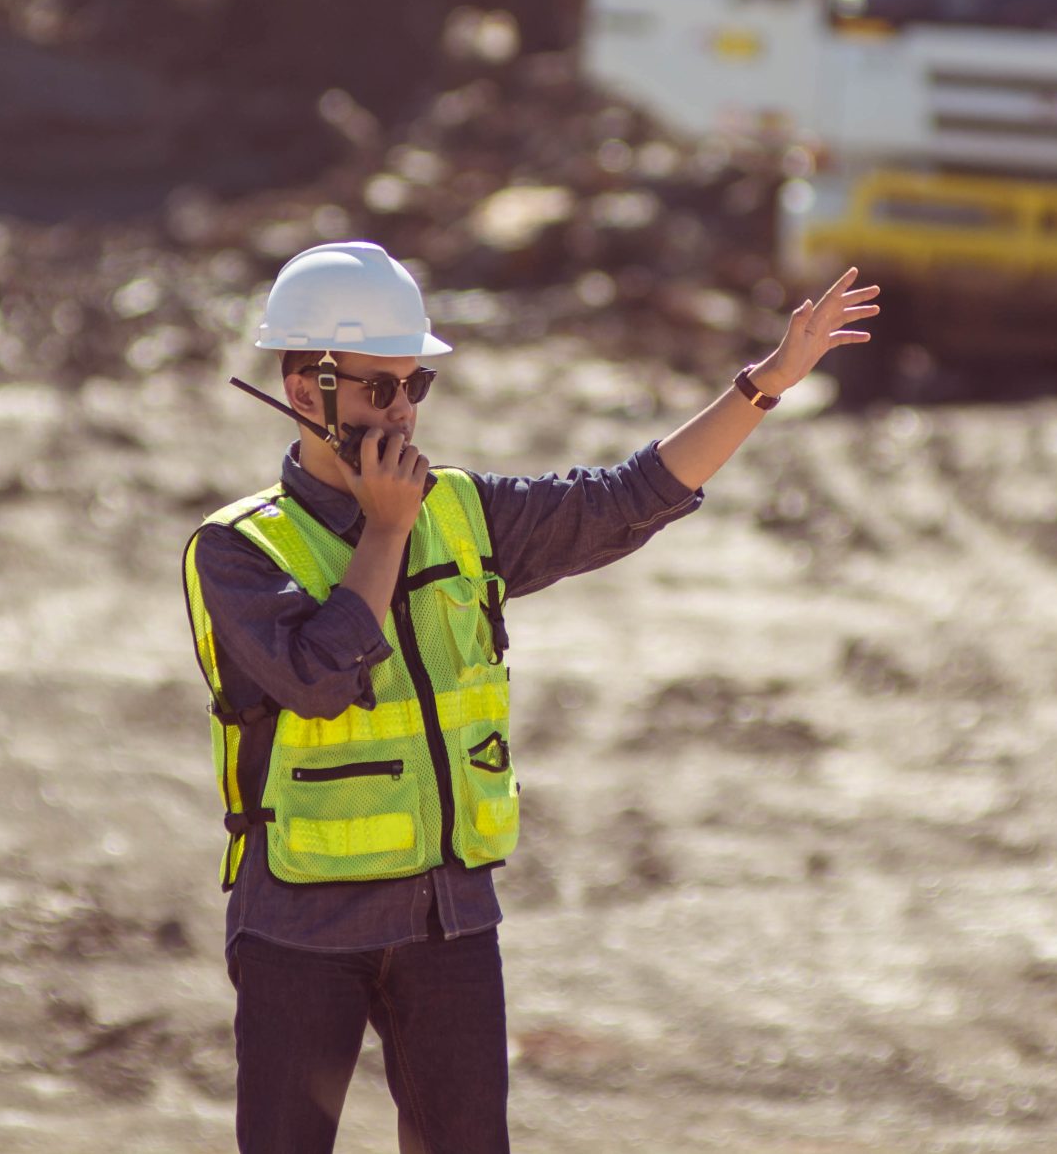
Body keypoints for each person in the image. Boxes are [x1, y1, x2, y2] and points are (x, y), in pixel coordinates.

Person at [183, 240, 879, 1154]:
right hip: (300, 925)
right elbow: (319, 679)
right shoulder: (236, 552)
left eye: (414, 387)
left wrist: (765, 383)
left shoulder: (465, 511)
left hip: (447, 922)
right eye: (377, 388)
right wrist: (386, 530)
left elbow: (629, 498)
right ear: (305, 388)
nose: (402, 411)